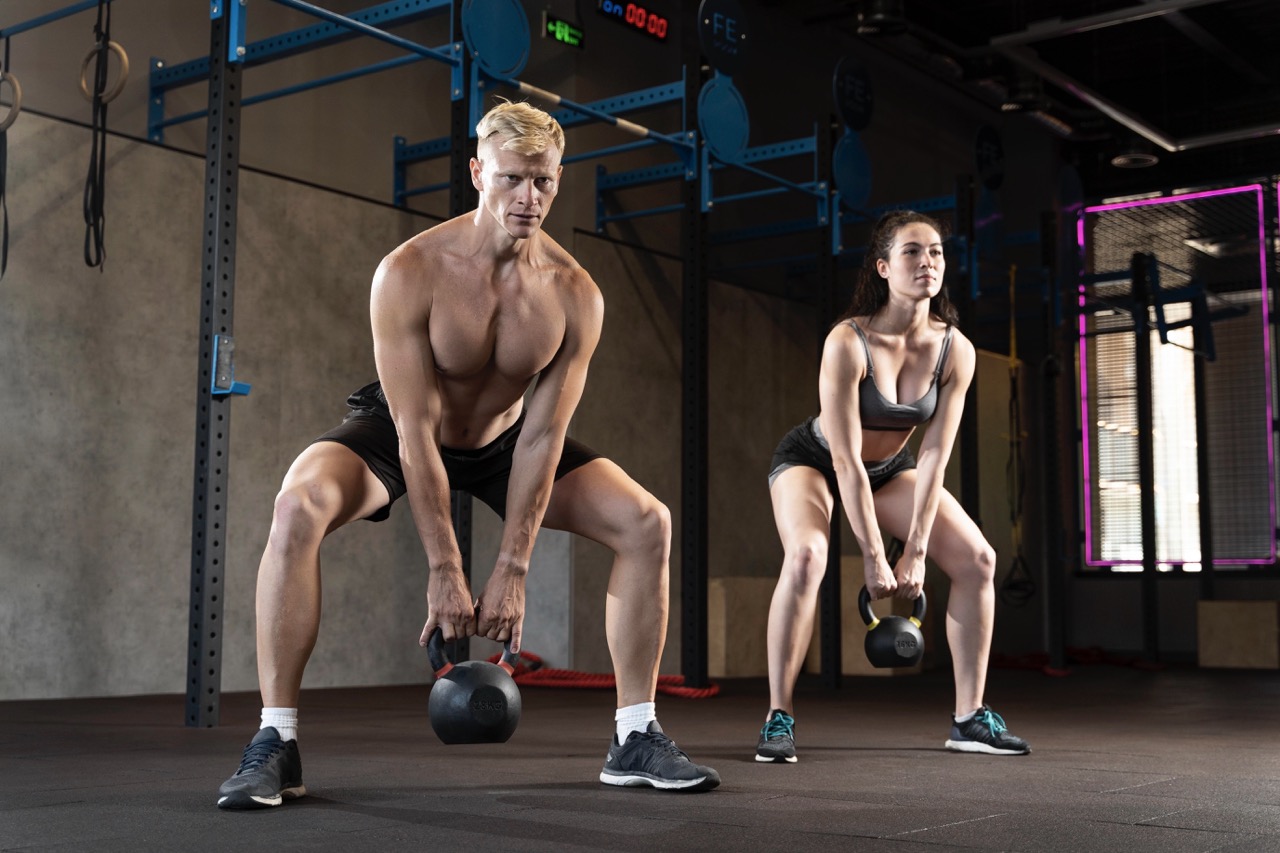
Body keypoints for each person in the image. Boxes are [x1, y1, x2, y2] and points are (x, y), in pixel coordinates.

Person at [216, 100, 720, 809]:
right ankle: (276, 739)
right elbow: (413, 430)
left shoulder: (576, 295)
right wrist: (446, 568)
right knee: (297, 505)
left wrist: (512, 568)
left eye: (544, 182)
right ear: (478, 172)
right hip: (399, 430)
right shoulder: (410, 271)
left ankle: (634, 735)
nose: (529, 198)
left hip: (506, 440)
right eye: (513, 179)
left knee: (648, 523)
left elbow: (542, 437)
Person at [754, 210, 1030, 763]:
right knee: (807, 555)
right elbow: (844, 458)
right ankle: (778, 716)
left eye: (935, 252)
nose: (927, 262)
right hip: (817, 459)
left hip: (890, 469)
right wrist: (876, 558)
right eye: (911, 251)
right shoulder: (848, 340)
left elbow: (933, 454)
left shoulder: (956, 351)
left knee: (978, 559)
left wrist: (919, 551)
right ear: (883, 266)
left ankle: (970, 717)